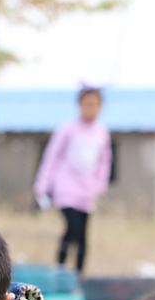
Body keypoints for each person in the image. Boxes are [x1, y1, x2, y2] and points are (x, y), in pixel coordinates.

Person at [34, 85, 111, 275]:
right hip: (66, 188)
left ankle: (78, 275)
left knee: (83, 234)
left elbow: (104, 163)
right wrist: (43, 185)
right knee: (72, 227)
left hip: (87, 192)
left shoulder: (102, 133)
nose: (90, 109)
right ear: (80, 105)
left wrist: (99, 186)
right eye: (87, 104)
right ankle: (60, 268)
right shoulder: (68, 129)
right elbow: (52, 157)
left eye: (94, 105)